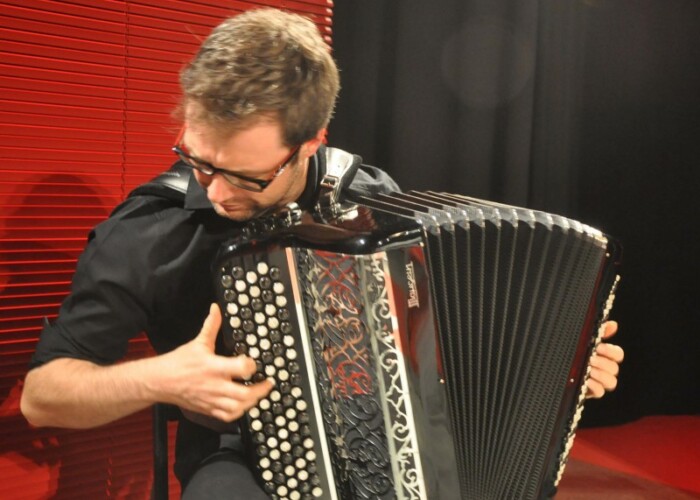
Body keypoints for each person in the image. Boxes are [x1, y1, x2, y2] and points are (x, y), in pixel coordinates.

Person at [20, 7, 625, 498]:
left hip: (388, 448)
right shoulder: (151, 230)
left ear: (310, 144)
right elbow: (42, 397)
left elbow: (443, 352)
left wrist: (560, 371)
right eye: (198, 161)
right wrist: (162, 379)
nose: (216, 192)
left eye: (246, 177)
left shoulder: (373, 203)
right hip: (238, 455)